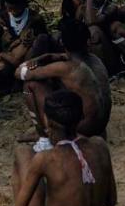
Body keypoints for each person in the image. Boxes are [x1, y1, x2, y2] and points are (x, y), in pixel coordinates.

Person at [10, 89, 117, 206]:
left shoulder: (46, 159)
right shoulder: (100, 145)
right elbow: (111, 201)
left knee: (22, 152)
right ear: (82, 116)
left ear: (47, 121)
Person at [15, 18, 111, 149]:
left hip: (84, 129)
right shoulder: (96, 60)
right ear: (87, 41)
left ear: (62, 43)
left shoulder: (67, 67)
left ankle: (44, 136)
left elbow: (19, 72)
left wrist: (43, 57)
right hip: (100, 127)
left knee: (30, 85)